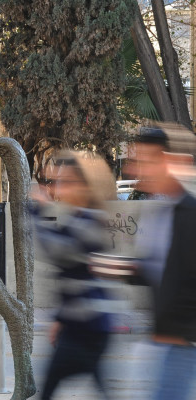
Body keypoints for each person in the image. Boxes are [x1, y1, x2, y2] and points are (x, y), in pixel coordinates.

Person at [32, 150, 119, 399]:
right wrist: (60, 318)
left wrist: (39, 212)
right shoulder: (78, 218)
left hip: (88, 327)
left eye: (66, 182)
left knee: (48, 388)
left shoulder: (91, 221)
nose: (59, 188)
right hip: (84, 326)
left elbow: (58, 251)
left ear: (84, 186)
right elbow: (72, 275)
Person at [124, 124, 196, 400]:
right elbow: (157, 271)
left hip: (179, 347)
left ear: (166, 161)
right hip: (158, 343)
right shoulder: (158, 211)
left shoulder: (189, 213)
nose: (136, 170)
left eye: (145, 161)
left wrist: (175, 334)